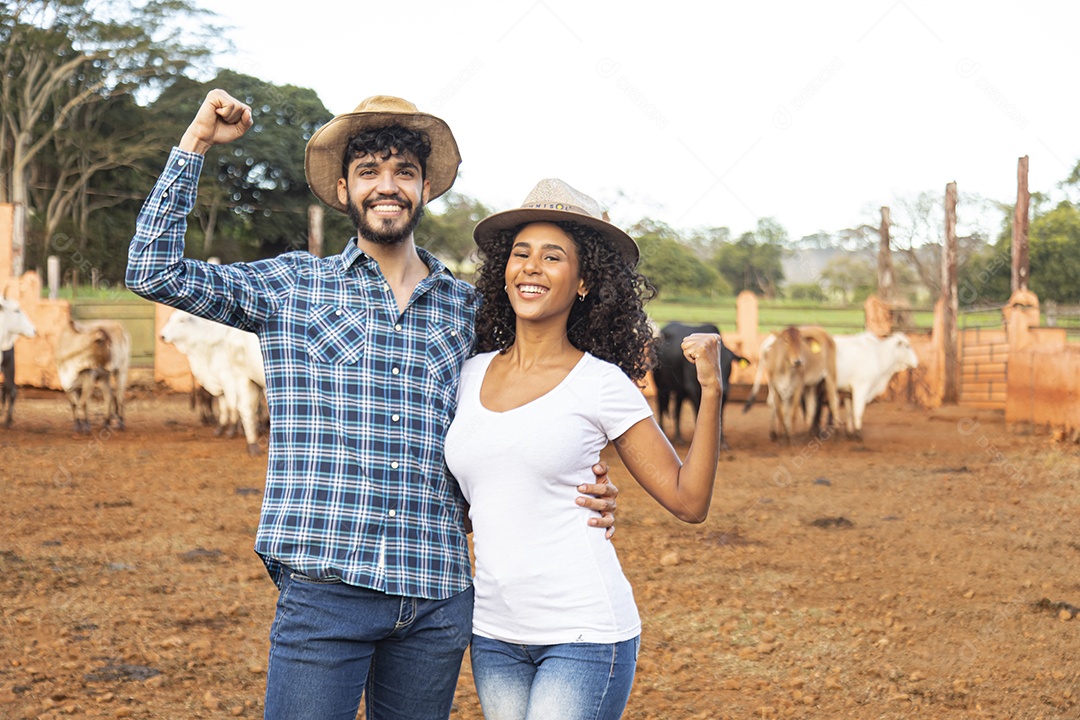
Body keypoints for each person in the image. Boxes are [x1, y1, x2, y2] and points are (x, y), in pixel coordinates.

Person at [125, 90, 618, 720]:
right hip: (325, 592)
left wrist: (586, 480)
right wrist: (195, 142)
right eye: (370, 172)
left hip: (437, 596)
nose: (388, 186)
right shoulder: (290, 287)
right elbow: (150, 270)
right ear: (342, 188)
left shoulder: (469, 310)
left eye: (404, 172)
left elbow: (535, 396)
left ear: (425, 188)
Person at [444, 179, 723, 719]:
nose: (531, 266)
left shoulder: (601, 383)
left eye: (553, 257)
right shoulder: (467, 373)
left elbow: (690, 501)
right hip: (494, 632)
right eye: (520, 254)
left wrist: (712, 390)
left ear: (585, 282)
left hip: (584, 632)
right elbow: (476, 500)